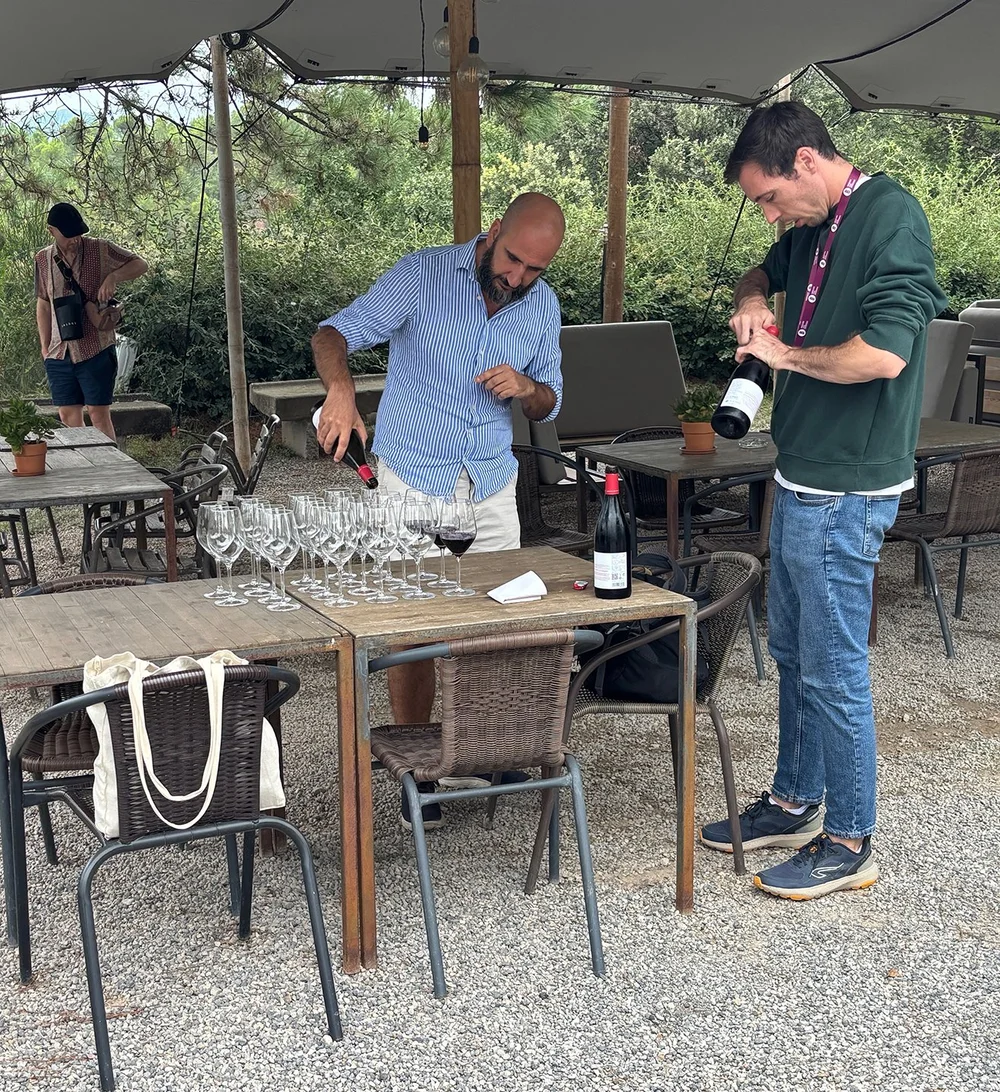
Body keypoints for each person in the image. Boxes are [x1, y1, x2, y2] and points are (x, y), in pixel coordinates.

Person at [699, 102, 947, 899]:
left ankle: (849, 839)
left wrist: (783, 355)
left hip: (849, 486)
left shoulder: (890, 217)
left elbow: (882, 355)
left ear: (807, 161)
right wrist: (750, 301)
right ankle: (792, 799)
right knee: (798, 654)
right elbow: (762, 272)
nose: (769, 215)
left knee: (835, 668)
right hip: (800, 473)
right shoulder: (813, 222)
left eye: (768, 197)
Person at [312, 191, 566, 828]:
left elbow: (549, 402)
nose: (517, 278)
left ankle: (483, 752)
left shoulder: (543, 304)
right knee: (415, 631)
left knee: (507, 624)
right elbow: (331, 334)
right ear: (493, 231)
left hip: (490, 486)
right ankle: (417, 772)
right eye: (511, 261)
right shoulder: (424, 275)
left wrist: (527, 387)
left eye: (534, 270)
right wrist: (341, 391)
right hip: (414, 481)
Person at [34, 202, 148, 440]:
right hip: (59, 350)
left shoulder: (100, 249)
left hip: (95, 346)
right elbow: (43, 303)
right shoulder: (43, 259)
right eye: (68, 235)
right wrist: (45, 347)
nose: (75, 239)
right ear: (51, 231)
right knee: (67, 415)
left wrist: (113, 276)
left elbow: (140, 264)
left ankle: (109, 470)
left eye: (78, 233)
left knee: (98, 414)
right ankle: (84, 464)